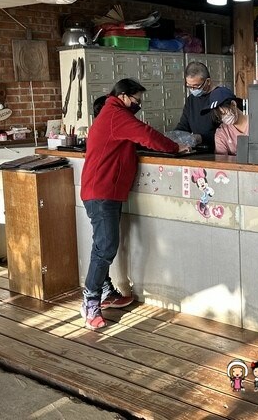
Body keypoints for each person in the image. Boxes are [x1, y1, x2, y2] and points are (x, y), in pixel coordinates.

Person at [80, 78, 186, 330]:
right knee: (106, 246)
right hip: (101, 190)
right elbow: (145, 134)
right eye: (137, 100)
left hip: (107, 190)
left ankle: (105, 291)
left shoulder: (112, 113)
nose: (138, 105)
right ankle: (90, 300)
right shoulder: (115, 113)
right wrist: (175, 147)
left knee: (102, 244)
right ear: (125, 97)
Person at [173, 62, 219, 151]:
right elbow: (183, 126)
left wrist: (201, 138)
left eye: (196, 86)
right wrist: (174, 137)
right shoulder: (191, 99)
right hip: (199, 150)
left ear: (208, 81)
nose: (193, 90)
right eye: (189, 86)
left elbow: (229, 131)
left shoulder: (220, 97)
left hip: (219, 150)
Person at [200, 86, 247, 155]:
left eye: (223, 113)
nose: (223, 118)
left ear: (233, 104)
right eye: (219, 116)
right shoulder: (222, 133)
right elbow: (221, 162)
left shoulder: (257, 123)